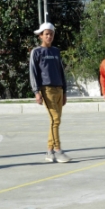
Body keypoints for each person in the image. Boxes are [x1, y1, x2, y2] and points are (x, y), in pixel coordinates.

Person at [29, 22, 71, 163]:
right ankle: (58, 151)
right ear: (41, 36)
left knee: (55, 122)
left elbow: (61, 71)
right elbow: (33, 73)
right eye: (46, 34)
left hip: (59, 89)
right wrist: (37, 91)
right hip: (46, 90)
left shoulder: (56, 51)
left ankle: (49, 151)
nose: (49, 36)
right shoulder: (36, 52)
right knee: (55, 120)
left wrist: (64, 91)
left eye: (51, 34)